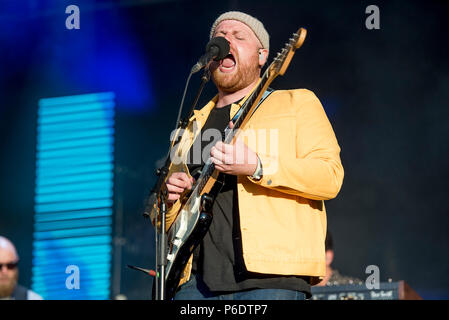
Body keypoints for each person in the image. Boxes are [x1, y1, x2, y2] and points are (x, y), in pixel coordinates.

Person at [152, 11, 344, 300]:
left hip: (271, 280)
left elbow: (330, 177)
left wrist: (257, 165)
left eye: (238, 36)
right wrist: (170, 199)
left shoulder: (296, 103)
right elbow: (163, 221)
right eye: (220, 37)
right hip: (194, 284)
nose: (226, 41)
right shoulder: (193, 125)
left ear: (262, 56)